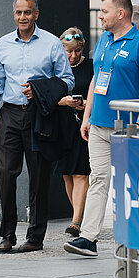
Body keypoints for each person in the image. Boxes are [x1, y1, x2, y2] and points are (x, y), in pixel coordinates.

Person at [64, 0, 139, 257]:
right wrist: (87, 117)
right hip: (99, 124)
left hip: (127, 127)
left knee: (130, 183)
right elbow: (96, 80)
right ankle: (88, 238)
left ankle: (138, 237)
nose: (100, 16)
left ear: (121, 13)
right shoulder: (104, 39)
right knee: (99, 180)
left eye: (104, 11)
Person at [0, 0, 74, 253]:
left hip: (39, 115)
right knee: (5, 174)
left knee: (39, 176)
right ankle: (7, 235)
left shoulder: (51, 43)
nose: (22, 17)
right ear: (14, 15)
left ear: (36, 14)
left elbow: (66, 79)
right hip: (10, 114)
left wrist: (41, 89)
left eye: (27, 12)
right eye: (18, 13)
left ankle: (35, 237)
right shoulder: (3, 44)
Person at [56, 26, 93, 238]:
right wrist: (64, 101)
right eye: (68, 51)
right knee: (67, 174)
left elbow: (99, 90)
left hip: (83, 124)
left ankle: (76, 221)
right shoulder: (57, 68)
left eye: (77, 51)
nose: (73, 55)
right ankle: (78, 215)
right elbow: (50, 95)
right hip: (63, 124)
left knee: (81, 172)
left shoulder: (90, 66)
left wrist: (87, 104)